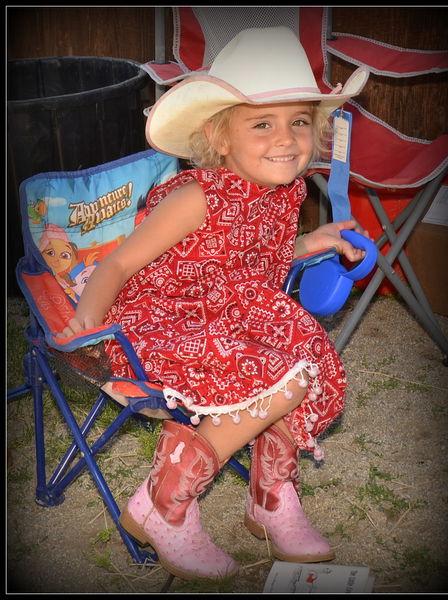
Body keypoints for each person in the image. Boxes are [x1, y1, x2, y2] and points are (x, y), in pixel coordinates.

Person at [58, 27, 369, 580]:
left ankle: (271, 501)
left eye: (299, 121)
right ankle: (164, 503)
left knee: (299, 345)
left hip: (232, 309)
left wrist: (305, 245)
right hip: (168, 318)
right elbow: (120, 264)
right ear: (220, 139)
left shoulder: (287, 192)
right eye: (262, 123)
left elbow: (247, 261)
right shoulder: (195, 196)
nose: (286, 138)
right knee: (287, 376)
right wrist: (91, 322)